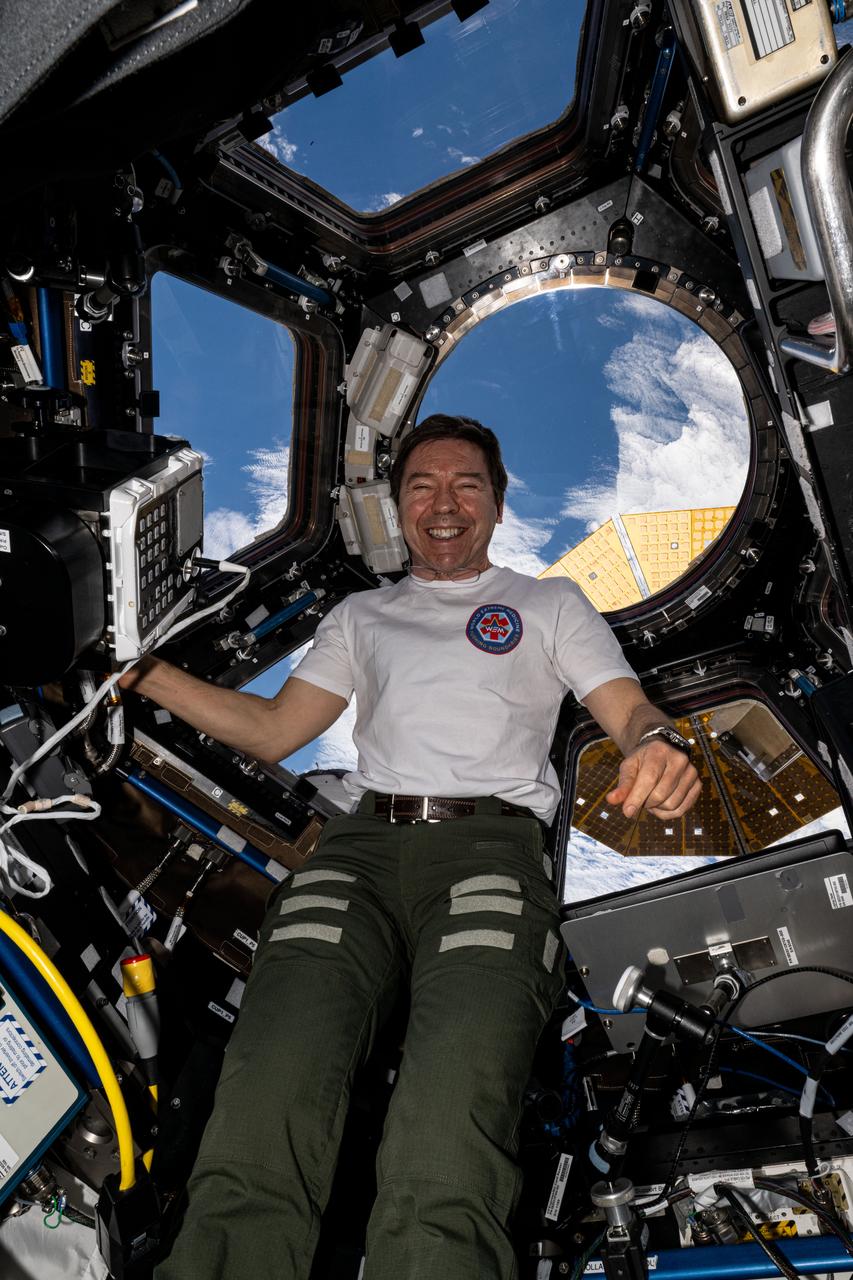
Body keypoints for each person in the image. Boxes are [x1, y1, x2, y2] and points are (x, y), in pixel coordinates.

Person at [131, 414, 700, 1280]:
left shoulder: (546, 603)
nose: (443, 503)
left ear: (498, 505)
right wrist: (138, 672)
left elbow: (624, 706)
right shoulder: (363, 614)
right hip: (355, 850)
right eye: (421, 487)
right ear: (398, 509)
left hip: (488, 854)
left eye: (466, 484)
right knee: (269, 1080)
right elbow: (276, 730)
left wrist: (656, 743)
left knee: (451, 1111)